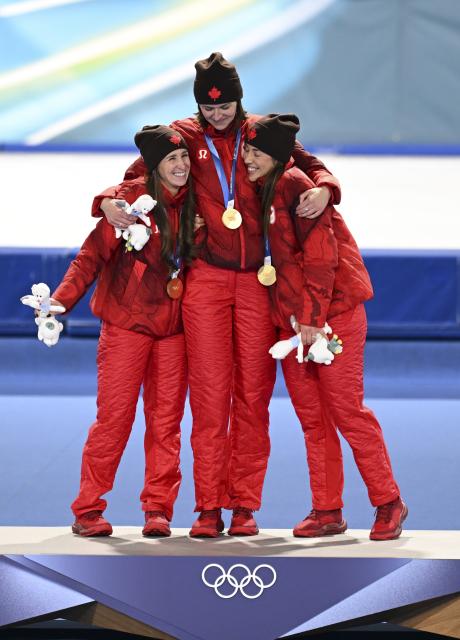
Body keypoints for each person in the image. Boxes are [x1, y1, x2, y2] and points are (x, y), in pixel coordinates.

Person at [91, 53, 342, 538]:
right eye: (209, 108)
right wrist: (105, 200)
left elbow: (311, 164)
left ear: (238, 98)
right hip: (204, 280)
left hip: (256, 283)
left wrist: (329, 187)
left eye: (225, 105)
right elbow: (138, 172)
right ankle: (208, 507)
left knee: (252, 398)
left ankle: (244, 505)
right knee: (208, 397)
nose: (217, 114)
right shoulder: (185, 134)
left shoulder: (260, 134)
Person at [242, 113, 408, 541]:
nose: (247, 158)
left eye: (256, 152)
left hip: (330, 319)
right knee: (313, 420)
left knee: (348, 412)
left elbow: (321, 259)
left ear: (276, 156)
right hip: (293, 323)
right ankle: (327, 509)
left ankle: (389, 502)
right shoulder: (262, 186)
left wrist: (314, 321)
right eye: (246, 149)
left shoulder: (297, 186)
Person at [50, 126, 195, 537]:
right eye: (171, 160)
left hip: (174, 330)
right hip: (126, 326)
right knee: (113, 420)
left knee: (166, 423)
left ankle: (158, 509)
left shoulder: (199, 199)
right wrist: (62, 300)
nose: (182, 166)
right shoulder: (128, 201)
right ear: (153, 167)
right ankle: (88, 509)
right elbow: (90, 256)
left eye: (184, 158)